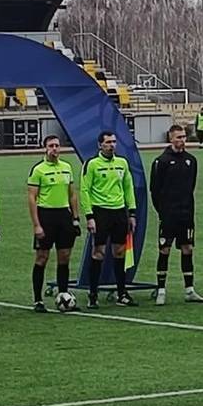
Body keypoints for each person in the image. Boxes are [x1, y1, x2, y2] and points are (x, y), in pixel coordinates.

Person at [150, 123, 203, 305]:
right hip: (168, 215)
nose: (182, 140)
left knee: (187, 248)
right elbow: (155, 190)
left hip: (186, 214)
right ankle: (161, 290)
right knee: (164, 249)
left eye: (184, 137)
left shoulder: (191, 160)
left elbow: (191, 187)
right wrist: (163, 211)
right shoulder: (161, 161)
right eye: (179, 137)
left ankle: (189, 290)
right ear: (171, 138)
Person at [81, 130, 138, 308]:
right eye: (108, 142)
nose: (112, 145)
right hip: (100, 212)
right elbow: (84, 190)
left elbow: (128, 188)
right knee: (98, 252)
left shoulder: (122, 163)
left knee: (119, 252)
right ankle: (93, 294)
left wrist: (132, 213)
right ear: (100, 145)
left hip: (119, 212)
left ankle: (122, 293)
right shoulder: (92, 164)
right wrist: (89, 216)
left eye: (114, 142)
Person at [27, 134, 81, 313]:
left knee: (64, 257)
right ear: (45, 148)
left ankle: (63, 294)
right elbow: (32, 198)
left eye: (57, 145)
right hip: (46, 216)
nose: (54, 149)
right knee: (42, 257)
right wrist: (36, 225)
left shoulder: (66, 167)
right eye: (51, 146)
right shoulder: (38, 170)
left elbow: (72, 194)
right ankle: (38, 300)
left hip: (64, 216)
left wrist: (75, 218)